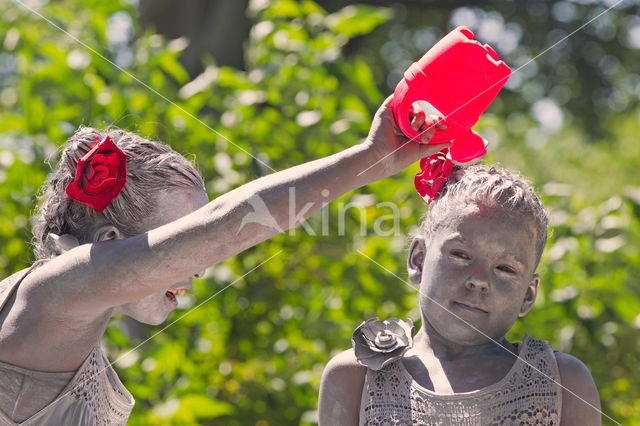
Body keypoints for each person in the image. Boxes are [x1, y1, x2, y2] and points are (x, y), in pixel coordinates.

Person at [0, 98, 447, 425]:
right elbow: (230, 220)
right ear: (112, 242)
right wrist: (372, 157)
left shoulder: (69, 323)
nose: (200, 266)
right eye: (184, 243)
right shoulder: (50, 295)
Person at [318, 163, 601, 425]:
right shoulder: (357, 377)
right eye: (460, 255)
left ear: (528, 295)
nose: (479, 280)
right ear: (418, 259)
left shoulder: (561, 382)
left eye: (504, 268)